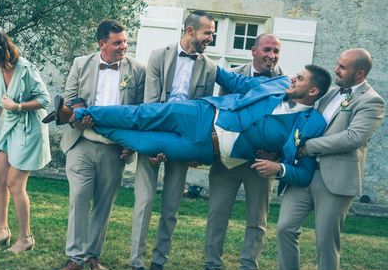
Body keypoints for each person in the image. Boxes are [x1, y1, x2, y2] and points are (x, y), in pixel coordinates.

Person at [62, 64, 332, 189]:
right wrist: (197, 53)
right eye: (296, 75)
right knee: (143, 115)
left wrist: (280, 168)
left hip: (208, 148)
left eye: (301, 78)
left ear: (314, 90)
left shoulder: (312, 123)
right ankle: (81, 113)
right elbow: (235, 82)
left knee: (144, 143)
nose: (293, 79)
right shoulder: (277, 83)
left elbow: (304, 174)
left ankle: (87, 125)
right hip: (204, 114)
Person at [275, 49, 384, 270]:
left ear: (360, 73)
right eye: (337, 64)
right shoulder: (332, 93)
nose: (336, 70)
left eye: (343, 67)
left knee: (326, 240)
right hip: (306, 174)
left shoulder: (372, 101)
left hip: (335, 180)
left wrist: (309, 147)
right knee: (285, 227)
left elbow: (352, 138)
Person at [51, 19, 146, 270]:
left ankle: (93, 255)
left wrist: (131, 146)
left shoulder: (138, 70)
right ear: (102, 43)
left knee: (104, 203)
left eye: (125, 41)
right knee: (80, 197)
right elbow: (70, 98)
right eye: (117, 42)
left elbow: (140, 112)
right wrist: (80, 113)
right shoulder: (81, 64)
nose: (123, 47)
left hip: (115, 148)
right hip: (82, 141)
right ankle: (75, 258)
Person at [130, 10, 216, 270]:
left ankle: (159, 263)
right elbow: (152, 104)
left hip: (183, 141)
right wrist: (155, 146)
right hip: (153, 134)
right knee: (144, 202)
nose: (210, 39)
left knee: (171, 207)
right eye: (207, 33)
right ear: (190, 31)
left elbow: (201, 111)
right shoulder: (159, 56)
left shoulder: (210, 68)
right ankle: (137, 263)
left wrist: (191, 148)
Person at [197, 33, 283, 270]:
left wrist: (276, 156)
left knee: (257, 219)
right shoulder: (232, 76)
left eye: (276, 51)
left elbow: (287, 124)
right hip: (228, 160)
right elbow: (220, 113)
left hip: (261, 164)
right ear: (253, 51)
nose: (272, 55)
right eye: (267, 50)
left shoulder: (287, 81)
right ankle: (211, 266)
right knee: (217, 213)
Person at [0, 30, 51, 254]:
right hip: (10, 129)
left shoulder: (26, 69)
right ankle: (2, 231)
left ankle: (26, 237)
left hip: (30, 130)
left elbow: (45, 100)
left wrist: (19, 106)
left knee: (15, 183)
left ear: (0, 52)